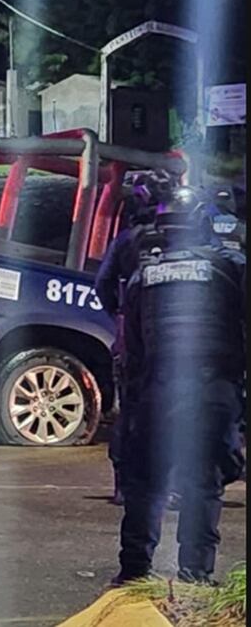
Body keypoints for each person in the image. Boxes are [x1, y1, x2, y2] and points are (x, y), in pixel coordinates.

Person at [114, 185, 246, 587]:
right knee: (203, 484)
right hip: (213, 390)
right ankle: (196, 575)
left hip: (159, 390)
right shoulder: (228, 268)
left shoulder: (145, 272)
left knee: (146, 484)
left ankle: (134, 572)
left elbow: (131, 345)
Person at [95, 172, 164, 506]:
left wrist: (120, 314)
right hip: (167, 337)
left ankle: (125, 483)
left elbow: (102, 284)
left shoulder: (125, 240)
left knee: (131, 408)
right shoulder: (180, 241)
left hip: (131, 334)